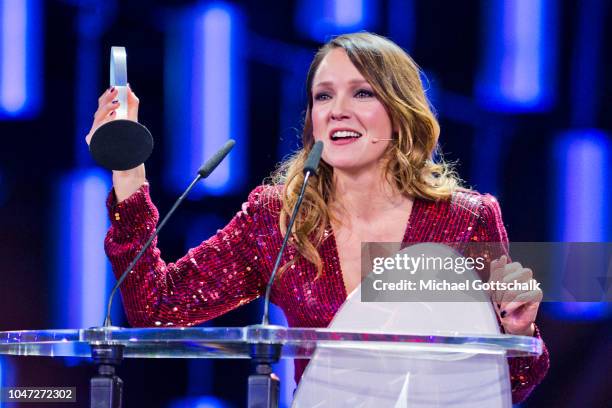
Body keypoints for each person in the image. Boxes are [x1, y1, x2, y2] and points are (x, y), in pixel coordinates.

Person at [86, 32, 549, 403]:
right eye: (323, 96)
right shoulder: (277, 217)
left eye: (362, 92)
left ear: (400, 112)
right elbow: (158, 307)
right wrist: (127, 164)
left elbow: (509, 383)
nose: (338, 110)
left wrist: (518, 330)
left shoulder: (465, 219)